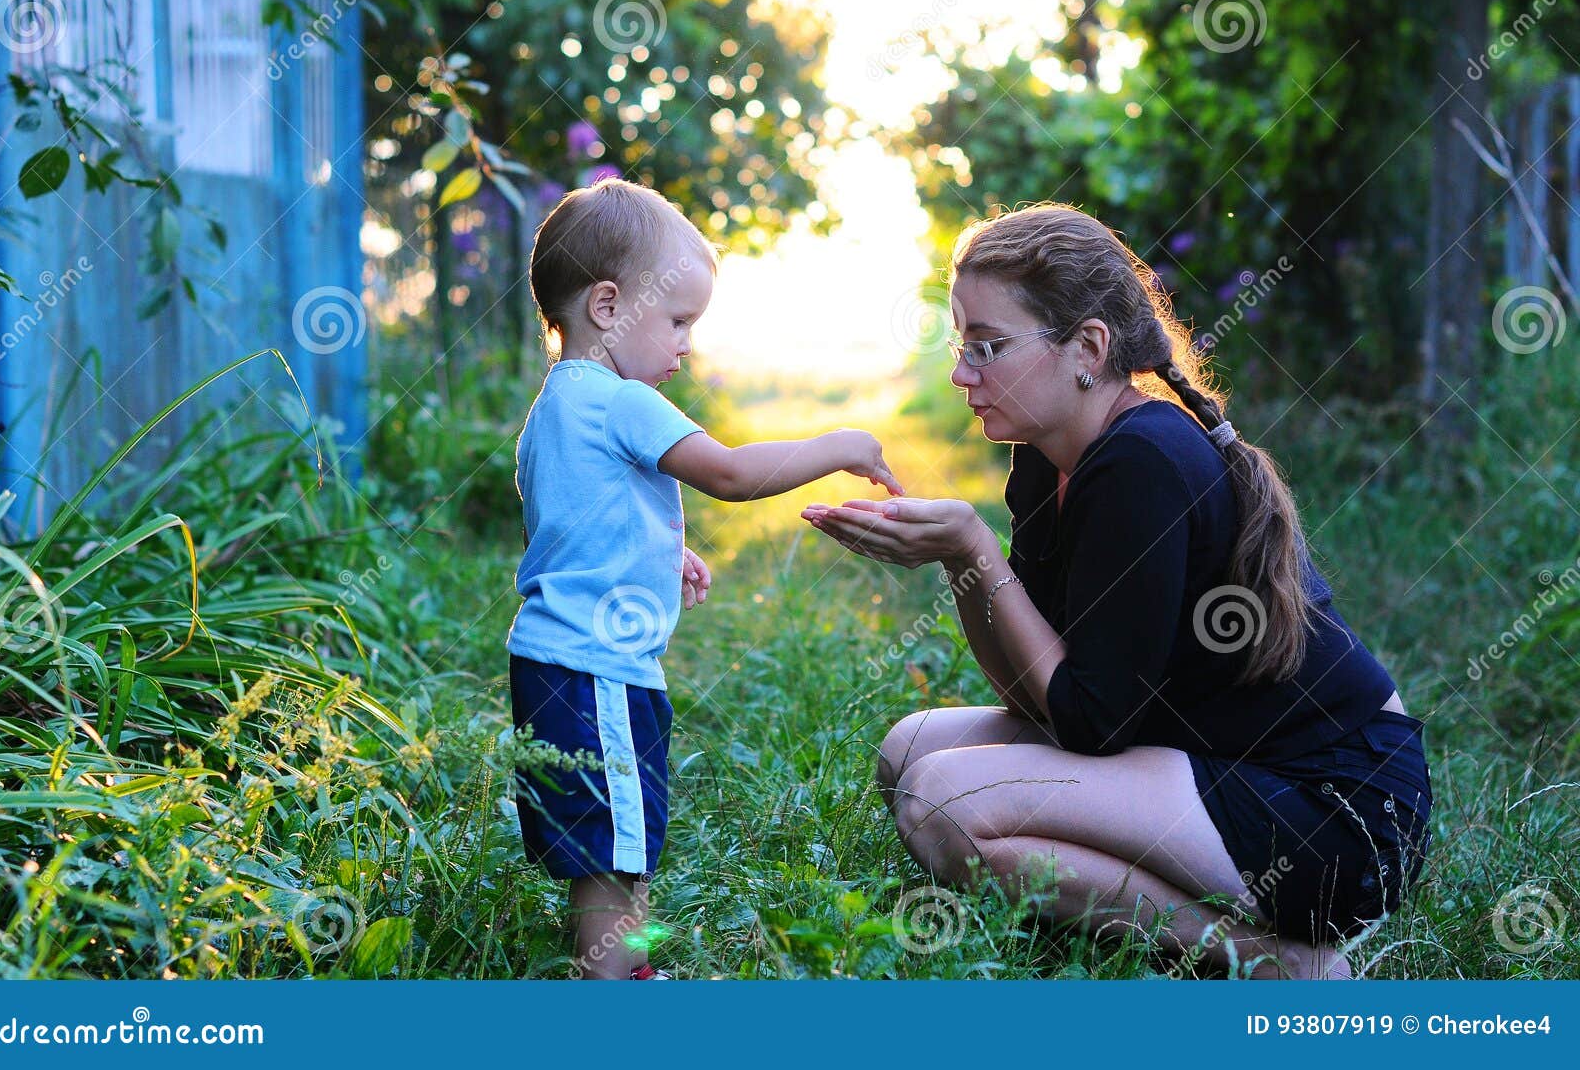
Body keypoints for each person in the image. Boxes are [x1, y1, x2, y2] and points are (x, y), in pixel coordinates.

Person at [802, 202, 1432, 979]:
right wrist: (962, 565)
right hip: (1213, 760)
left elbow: (1091, 727)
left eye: (987, 347)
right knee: (909, 750)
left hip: (1338, 813)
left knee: (939, 801)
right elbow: (1043, 694)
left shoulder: (1144, 461)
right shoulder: (1043, 457)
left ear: (1088, 348)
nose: (963, 373)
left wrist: (973, 546)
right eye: (961, 347)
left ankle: (1273, 960)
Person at [507, 178, 903, 979]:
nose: (687, 345)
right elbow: (728, 472)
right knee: (619, 849)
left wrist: (660, 552)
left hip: (551, 664)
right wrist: (839, 444)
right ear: (609, 306)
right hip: (599, 668)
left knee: (613, 841)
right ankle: (615, 985)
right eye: (679, 320)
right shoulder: (622, 400)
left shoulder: (552, 406)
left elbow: (577, 522)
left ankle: (631, 969)